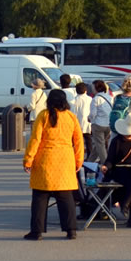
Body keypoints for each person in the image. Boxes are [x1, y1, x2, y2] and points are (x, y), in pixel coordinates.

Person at [22, 88, 84, 240]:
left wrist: (28, 159)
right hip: (65, 160)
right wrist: (78, 160)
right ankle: (71, 230)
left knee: (40, 197)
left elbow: (35, 139)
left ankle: (37, 232)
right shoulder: (71, 117)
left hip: (45, 159)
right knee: (66, 197)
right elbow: (79, 141)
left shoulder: (44, 115)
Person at [88, 80, 113, 163]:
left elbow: (93, 114)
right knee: (98, 145)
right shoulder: (109, 97)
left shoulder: (95, 99)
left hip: (98, 124)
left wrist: (89, 118)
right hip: (108, 124)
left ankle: (105, 164)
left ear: (95, 88)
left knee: (100, 145)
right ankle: (89, 162)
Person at [72, 81, 93, 160]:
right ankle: (90, 157)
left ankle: (78, 156)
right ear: (85, 90)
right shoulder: (90, 99)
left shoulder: (75, 100)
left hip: (78, 124)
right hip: (87, 124)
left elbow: (74, 113)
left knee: (77, 142)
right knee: (89, 141)